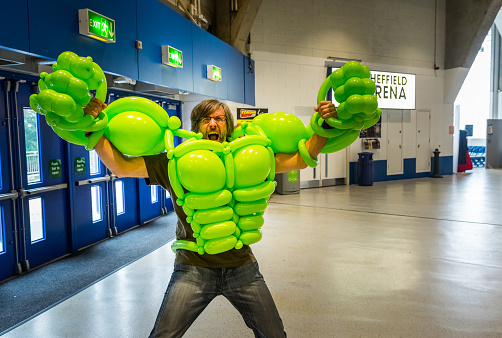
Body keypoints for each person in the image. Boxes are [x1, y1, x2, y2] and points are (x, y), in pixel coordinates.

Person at [84, 97, 337, 337]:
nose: (213, 124)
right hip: (193, 267)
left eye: (219, 118)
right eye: (206, 119)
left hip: (242, 266)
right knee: (163, 335)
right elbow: (121, 166)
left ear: (228, 125)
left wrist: (323, 125)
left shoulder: (251, 158)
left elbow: (302, 159)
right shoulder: (177, 162)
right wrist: (92, 128)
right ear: (197, 127)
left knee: (274, 334)